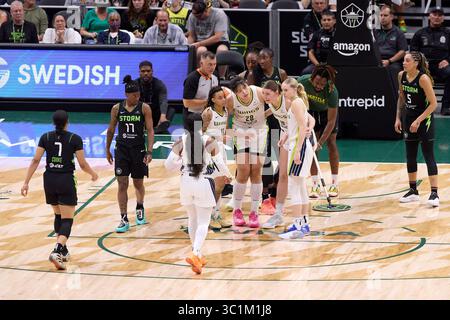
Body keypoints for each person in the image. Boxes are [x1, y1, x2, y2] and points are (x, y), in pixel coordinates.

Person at [21, 110, 98, 270]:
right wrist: (93, 173)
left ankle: (63, 250)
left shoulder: (45, 137)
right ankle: (57, 249)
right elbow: (82, 164)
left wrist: (26, 182)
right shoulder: (74, 138)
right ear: (67, 122)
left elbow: (36, 160)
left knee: (58, 214)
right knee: (67, 219)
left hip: (49, 179)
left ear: (53, 122)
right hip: (65, 179)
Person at [164, 113, 232, 274]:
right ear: (202, 125)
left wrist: (181, 164)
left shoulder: (181, 141)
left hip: (185, 182)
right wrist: (228, 175)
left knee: (192, 219)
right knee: (203, 222)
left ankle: (198, 254)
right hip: (203, 181)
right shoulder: (209, 141)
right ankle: (195, 253)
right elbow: (219, 162)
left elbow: (168, 165)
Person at [261, 79, 315, 229]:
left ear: (278, 93)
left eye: (268, 94)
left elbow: (309, 119)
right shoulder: (272, 104)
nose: (265, 97)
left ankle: (299, 221)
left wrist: (309, 128)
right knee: (284, 175)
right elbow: (283, 122)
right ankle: (280, 215)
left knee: (294, 181)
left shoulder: (291, 102)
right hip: (288, 138)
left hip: (299, 139)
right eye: (264, 94)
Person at [106, 75, 154, 233]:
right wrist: (107, 149)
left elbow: (150, 130)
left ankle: (140, 208)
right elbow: (111, 129)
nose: (137, 97)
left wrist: (149, 150)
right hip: (122, 150)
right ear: (127, 94)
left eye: (139, 95)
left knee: (138, 183)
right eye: (134, 95)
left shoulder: (144, 108)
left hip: (139, 149)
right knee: (122, 183)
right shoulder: (116, 108)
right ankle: (123, 217)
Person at [246, 47, 288, 214]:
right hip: (261, 121)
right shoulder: (253, 75)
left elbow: (285, 96)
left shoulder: (281, 73)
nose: (261, 61)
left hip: (277, 120)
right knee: (266, 159)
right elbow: (249, 99)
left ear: (271, 58)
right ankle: (264, 197)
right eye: (259, 58)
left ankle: (275, 193)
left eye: (264, 58)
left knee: (280, 158)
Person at [395, 51, 439, 207]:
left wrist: (418, 121)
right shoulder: (401, 75)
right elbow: (401, 98)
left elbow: (433, 104)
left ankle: (434, 193)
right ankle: (413, 191)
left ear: (415, 63)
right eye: (404, 60)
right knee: (410, 156)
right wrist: (398, 118)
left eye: (407, 61)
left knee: (428, 155)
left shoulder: (423, 78)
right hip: (409, 119)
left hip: (424, 120)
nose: (403, 63)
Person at [227, 77, 267, 228]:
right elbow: (226, 120)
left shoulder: (258, 92)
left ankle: (254, 212)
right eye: (238, 91)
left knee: (256, 170)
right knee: (243, 170)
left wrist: (265, 114)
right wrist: (229, 134)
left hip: (259, 132)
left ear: (247, 84)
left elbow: (276, 104)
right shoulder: (231, 100)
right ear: (235, 93)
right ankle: (237, 211)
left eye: (244, 87)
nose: (243, 92)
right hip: (241, 132)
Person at [277, 78, 314, 239]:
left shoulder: (296, 103)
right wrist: (285, 136)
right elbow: (298, 125)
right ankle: (304, 223)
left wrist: (298, 150)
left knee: (294, 186)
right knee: (300, 186)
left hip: (299, 147)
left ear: (293, 89)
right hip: (297, 144)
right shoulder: (297, 102)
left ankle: (298, 224)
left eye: (285, 90)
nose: (283, 93)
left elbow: (301, 127)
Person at [297, 64, 339, 198]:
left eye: (322, 84)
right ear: (312, 78)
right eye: (317, 82)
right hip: (311, 113)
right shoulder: (302, 82)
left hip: (327, 115)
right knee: (311, 147)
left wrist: (320, 143)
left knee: (331, 143)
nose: (319, 86)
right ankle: (315, 185)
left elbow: (331, 121)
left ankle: (334, 183)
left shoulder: (332, 91)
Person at [201, 86, 233, 229]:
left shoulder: (225, 111)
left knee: (221, 184)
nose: (223, 99)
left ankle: (216, 214)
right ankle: (209, 216)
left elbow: (224, 130)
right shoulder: (208, 113)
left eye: (224, 97)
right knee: (213, 185)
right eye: (219, 97)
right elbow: (200, 133)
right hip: (209, 150)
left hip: (220, 149)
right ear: (213, 100)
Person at [410, 7, 450, 116]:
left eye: (439, 15)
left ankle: (446, 106)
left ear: (443, 18)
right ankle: (420, 106)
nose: (437, 17)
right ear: (429, 16)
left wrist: (447, 60)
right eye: (434, 14)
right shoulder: (420, 33)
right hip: (424, 65)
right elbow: (413, 51)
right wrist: (421, 61)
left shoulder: (447, 33)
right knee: (416, 74)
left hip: (441, 65)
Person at [374, 5, 407, 95]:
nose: (382, 18)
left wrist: (389, 61)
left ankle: (395, 98)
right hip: (377, 60)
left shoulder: (398, 32)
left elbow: (402, 51)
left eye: (385, 15)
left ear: (391, 17)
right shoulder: (374, 31)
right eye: (381, 15)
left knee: (395, 69)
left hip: (393, 62)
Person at [187, 0, 230, 68]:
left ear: (206, 11)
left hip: (219, 41)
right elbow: (191, 36)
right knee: (201, 51)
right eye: (195, 16)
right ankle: (200, 74)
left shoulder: (219, 14)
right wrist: (188, 47)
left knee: (222, 50)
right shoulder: (192, 16)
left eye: (199, 16)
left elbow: (217, 37)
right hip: (201, 40)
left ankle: (222, 77)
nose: (197, 18)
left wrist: (198, 44)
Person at [182, 51, 218, 129]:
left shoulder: (215, 77)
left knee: (212, 139)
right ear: (201, 63)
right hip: (194, 116)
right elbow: (186, 103)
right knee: (196, 140)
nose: (212, 67)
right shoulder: (192, 79)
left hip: (209, 115)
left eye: (214, 64)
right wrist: (208, 102)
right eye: (210, 64)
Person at [136, 60, 174, 134]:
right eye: (143, 71)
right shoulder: (134, 85)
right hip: (141, 113)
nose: (146, 73)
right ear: (139, 72)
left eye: (148, 71)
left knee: (170, 110)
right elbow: (131, 102)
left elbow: (163, 101)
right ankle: (140, 126)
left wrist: (163, 116)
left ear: (152, 71)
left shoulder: (159, 84)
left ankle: (158, 128)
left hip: (155, 114)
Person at [301, 10, 336, 76]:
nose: (326, 22)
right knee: (305, 72)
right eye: (324, 20)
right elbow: (310, 52)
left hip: (335, 64)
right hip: (318, 64)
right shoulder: (315, 34)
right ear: (321, 21)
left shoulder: (339, 35)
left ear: (334, 21)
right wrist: (318, 66)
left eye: (329, 20)